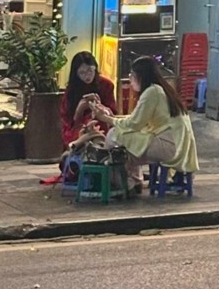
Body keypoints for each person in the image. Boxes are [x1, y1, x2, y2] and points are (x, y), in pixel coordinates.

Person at [90, 56, 198, 195]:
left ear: (140, 76)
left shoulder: (152, 92)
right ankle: (133, 181)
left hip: (168, 146)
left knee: (114, 136)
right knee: (126, 145)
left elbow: (134, 124)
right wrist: (112, 117)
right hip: (176, 144)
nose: (130, 79)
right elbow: (137, 119)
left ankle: (129, 183)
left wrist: (106, 118)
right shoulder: (161, 89)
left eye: (132, 75)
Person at [60, 51, 117, 148]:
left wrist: (100, 108)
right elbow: (67, 120)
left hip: (101, 123)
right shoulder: (71, 90)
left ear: (95, 68)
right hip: (78, 127)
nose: (87, 76)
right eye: (82, 73)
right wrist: (79, 110)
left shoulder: (106, 85)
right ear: (76, 74)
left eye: (90, 71)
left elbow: (112, 114)